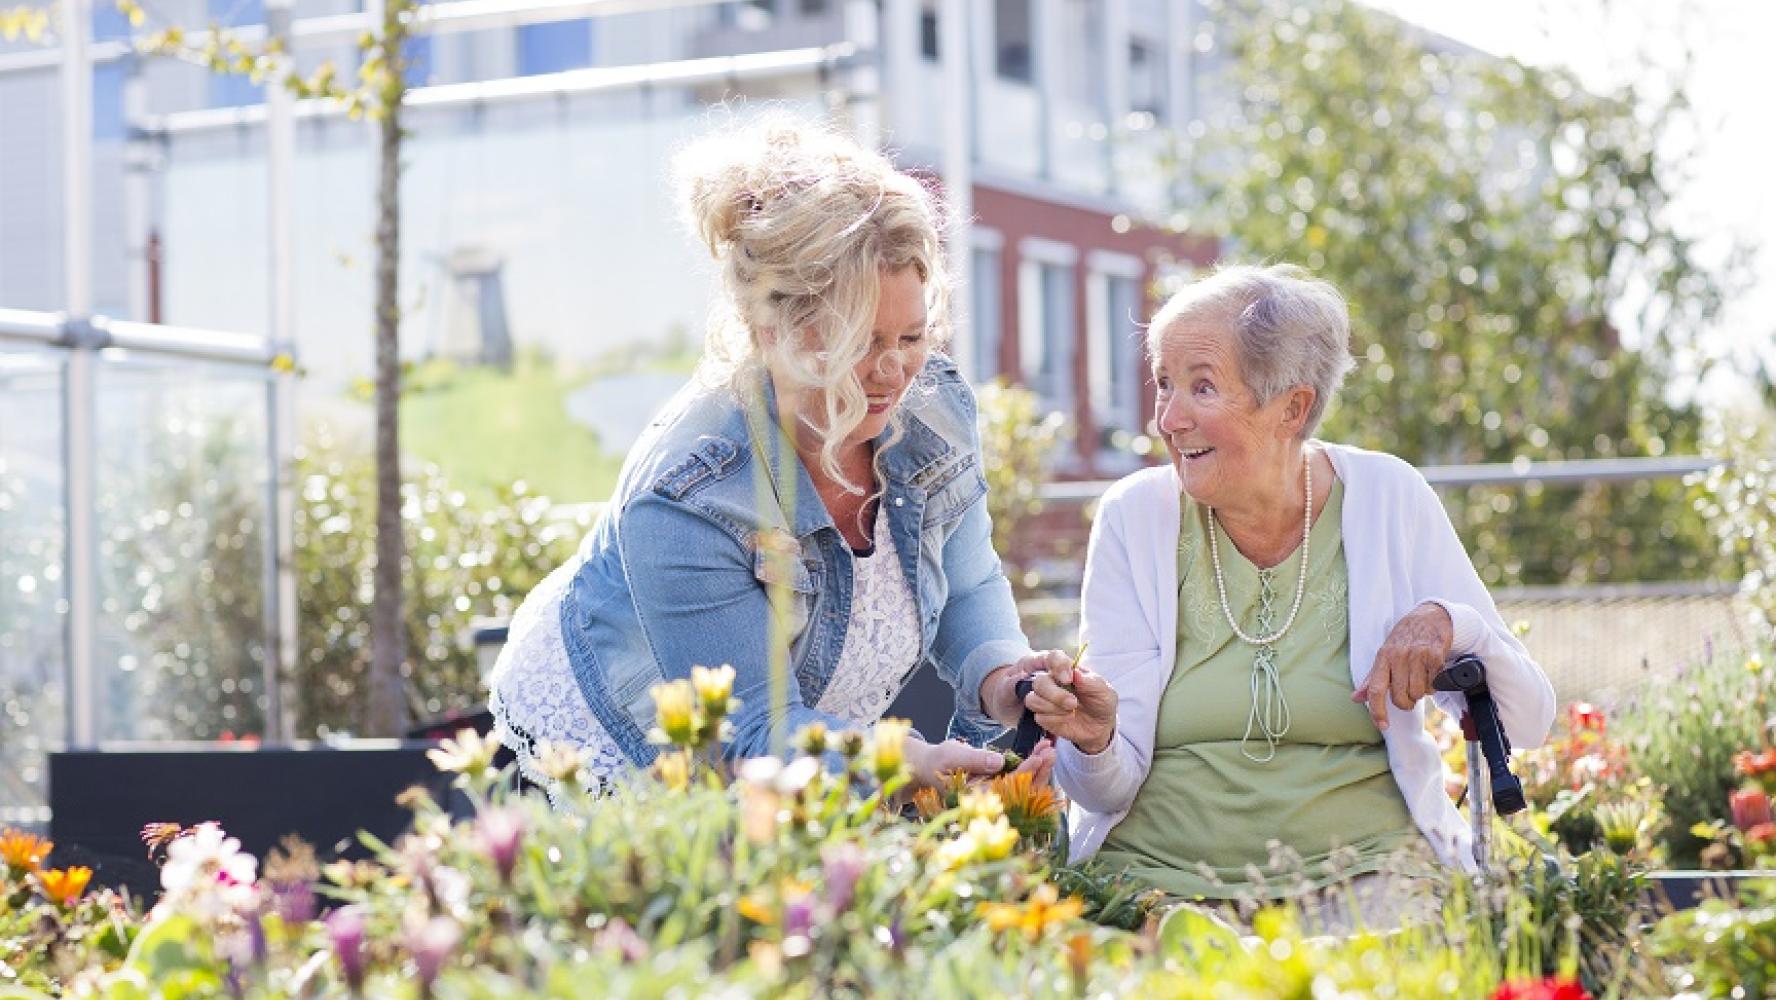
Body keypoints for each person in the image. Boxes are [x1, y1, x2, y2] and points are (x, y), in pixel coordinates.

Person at [486, 116, 1066, 796]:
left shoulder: (933, 409)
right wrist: (894, 760)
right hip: (612, 764)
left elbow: (965, 585)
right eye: (859, 341)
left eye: (910, 336)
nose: (892, 371)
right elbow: (754, 731)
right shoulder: (687, 494)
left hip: (803, 755)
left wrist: (1010, 679)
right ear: (770, 330)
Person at [1027, 263, 1556, 928]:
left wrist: (1454, 623)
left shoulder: (1389, 498)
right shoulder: (1136, 517)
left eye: (1201, 387)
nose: (1168, 418)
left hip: (1371, 880)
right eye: (1164, 384)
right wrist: (1097, 737)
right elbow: (1103, 789)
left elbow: (1530, 721)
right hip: (1161, 884)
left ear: (1292, 408)